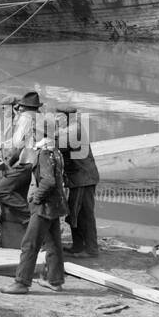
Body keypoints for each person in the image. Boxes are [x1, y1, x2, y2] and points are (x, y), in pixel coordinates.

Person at [1, 114, 68, 294]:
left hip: (44, 206)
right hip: (55, 204)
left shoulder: (44, 153)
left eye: (33, 131)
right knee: (53, 244)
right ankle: (55, 280)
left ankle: (21, 282)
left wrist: (36, 198)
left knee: (29, 244)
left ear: (39, 133)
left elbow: (48, 181)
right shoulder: (54, 151)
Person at [0, 91, 41, 228]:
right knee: (15, 195)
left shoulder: (24, 120)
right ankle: (26, 226)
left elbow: (18, 145)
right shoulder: (34, 119)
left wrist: (9, 163)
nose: (2, 111)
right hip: (21, 163)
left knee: (0, 190)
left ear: (15, 107)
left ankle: (32, 221)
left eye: (4, 108)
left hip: (24, 164)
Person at [59, 106, 101, 258]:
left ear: (66, 117)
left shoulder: (74, 130)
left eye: (58, 117)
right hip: (79, 178)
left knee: (84, 214)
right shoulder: (71, 128)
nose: (56, 120)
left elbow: (59, 144)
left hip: (83, 179)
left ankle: (91, 249)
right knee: (75, 213)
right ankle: (78, 246)